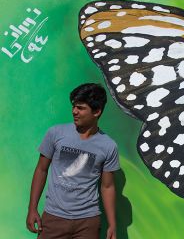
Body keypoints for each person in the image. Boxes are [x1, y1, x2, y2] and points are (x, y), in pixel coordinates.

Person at [26, 83, 120, 239]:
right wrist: (32, 208)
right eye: (74, 106)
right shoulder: (56, 133)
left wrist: (112, 224)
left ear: (97, 112)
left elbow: (108, 186)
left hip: (88, 222)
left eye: (81, 108)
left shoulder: (109, 146)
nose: (74, 111)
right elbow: (41, 170)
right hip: (53, 218)